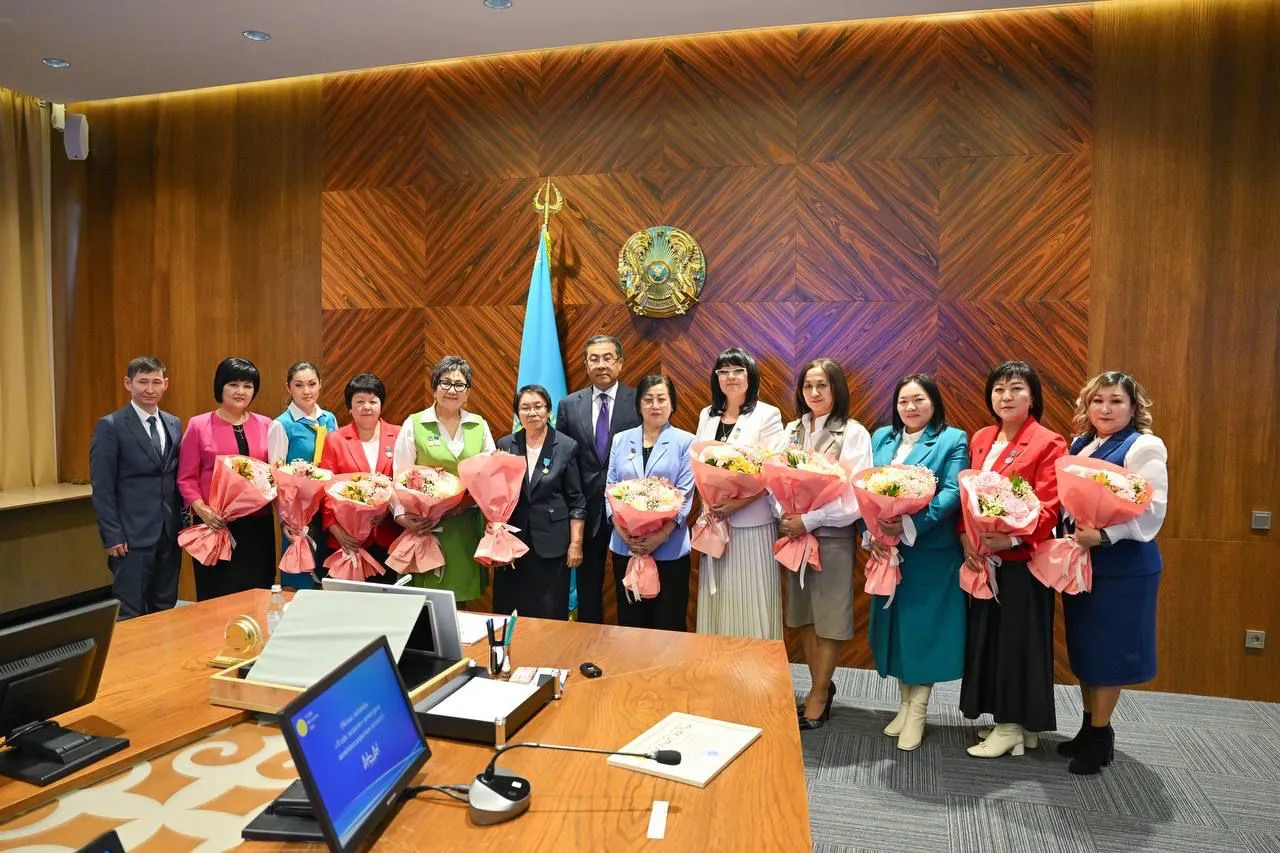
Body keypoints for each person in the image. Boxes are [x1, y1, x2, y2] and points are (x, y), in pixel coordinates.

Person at [1059, 371, 1168, 775]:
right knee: (1087, 652)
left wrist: (1104, 535)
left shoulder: (1144, 447)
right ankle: (1089, 729)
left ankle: (1101, 736)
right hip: (1085, 564)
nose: (1105, 409)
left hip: (1122, 566)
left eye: (1116, 401)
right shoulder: (1083, 444)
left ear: (1133, 407)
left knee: (1108, 654)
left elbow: (1153, 510)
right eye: (1097, 401)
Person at [960, 360, 1066, 758]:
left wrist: (1013, 536)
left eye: (1016, 388)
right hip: (984, 556)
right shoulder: (983, 437)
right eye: (999, 389)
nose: (1006, 396)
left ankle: (1010, 725)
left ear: (1033, 396)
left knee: (1018, 641)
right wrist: (966, 539)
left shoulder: (1048, 441)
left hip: (1023, 559)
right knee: (992, 638)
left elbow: (1049, 507)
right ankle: (1018, 723)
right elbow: (970, 496)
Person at [866, 374, 968, 751]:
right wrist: (873, 532)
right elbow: (863, 488)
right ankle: (905, 704)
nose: (910, 407)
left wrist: (910, 523)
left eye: (919, 400)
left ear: (934, 403)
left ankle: (919, 711)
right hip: (888, 550)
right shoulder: (882, 438)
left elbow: (953, 491)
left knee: (923, 630)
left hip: (930, 551)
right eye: (904, 401)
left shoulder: (951, 439)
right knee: (895, 628)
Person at [781, 358, 872, 731]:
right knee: (803, 614)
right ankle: (819, 684)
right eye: (808, 386)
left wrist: (812, 518)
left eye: (822, 385)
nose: (814, 393)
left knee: (830, 618)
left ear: (837, 389)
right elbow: (777, 477)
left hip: (832, 535)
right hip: (794, 535)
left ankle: (818, 694)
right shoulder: (791, 430)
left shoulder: (853, 432)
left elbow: (854, 495)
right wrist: (785, 512)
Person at [693, 347, 786, 640]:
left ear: (750, 375)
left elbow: (773, 471)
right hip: (714, 522)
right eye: (724, 371)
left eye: (738, 371)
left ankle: (754, 675)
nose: (730, 377)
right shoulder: (707, 415)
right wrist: (709, 503)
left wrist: (737, 503)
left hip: (751, 524)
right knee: (718, 600)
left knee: (750, 599)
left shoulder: (767, 415)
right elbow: (698, 464)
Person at [393, 355, 495, 603]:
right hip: (427, 527)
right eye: (445, 383)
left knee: (463, 597)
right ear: (435, 387)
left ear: (468, 391)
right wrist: (402, 517)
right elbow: (399, 476)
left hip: (466, 526)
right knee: (427, 599)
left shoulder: (478, 426)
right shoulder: (414, 424)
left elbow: (490, 477)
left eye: (459, 384)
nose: (452, 390)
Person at [88, 356, 183, 618]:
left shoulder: (174, 423)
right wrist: (112, 534)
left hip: (169, 532)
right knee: (129, 612)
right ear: (128, 383)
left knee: (165, 608)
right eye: (143, 382)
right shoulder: (111, 426)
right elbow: (102, 486)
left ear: (166, 384)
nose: (150, 389)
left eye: (156, 382)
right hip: (130, 537)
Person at [555, 335, 641, 623]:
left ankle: (629, 645)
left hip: (629, 512)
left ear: (620, 362)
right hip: (585, 511)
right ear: (585, 364)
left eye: (607, 358)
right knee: (588, 587)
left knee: (628, 581)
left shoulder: (638, 400)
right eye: (594, 358)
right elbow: (563, 459)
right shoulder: (569, 405)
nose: (601, 364)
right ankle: (590, 644)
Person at [177, 357, 278, 600]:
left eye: (248, 385)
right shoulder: (199, 425)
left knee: (258, 594)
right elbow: (186, 478)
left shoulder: (266, 425)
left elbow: (273, 473)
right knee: (217, 595)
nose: (241, 391)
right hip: (215, 525)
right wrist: (204, 511)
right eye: (233, 384)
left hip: (257, 526)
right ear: (220, 386)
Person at [606, 375, 696, 631]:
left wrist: (661, 535)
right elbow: (610, 489)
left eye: (661, 399)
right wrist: (623, 531)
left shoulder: (685, 441)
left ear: (672, 404)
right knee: (631, 620)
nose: (655, 405)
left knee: (668, 620)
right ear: (639, 405)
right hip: (627, 546)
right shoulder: (621, 440)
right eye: (648, 400)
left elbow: (685, 494)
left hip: (669, 549)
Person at [494, 384, 587, 619]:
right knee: (509, 609)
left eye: (538, 407)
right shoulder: (506, 445)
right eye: (525, 407)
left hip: (551, 545)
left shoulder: (566, 446)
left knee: (548, 611)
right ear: (517, 414)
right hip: (513, 545)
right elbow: (496, 494)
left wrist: (575, 544)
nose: (532, 412)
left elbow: (577, 501)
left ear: (548, 411)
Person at [318, 373, 401, 582]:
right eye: (360, 401)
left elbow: (403, 483)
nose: (367, 407)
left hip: (387, 537)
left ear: (381, 405)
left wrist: (389, 509)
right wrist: (337, 532)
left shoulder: (399, 435)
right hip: (347, 539)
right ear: (350, 407)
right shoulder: (335, 440)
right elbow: (324, 490)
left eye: (373, 401)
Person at [267, 360, 339, 591]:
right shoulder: (281, 425)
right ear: (289, 388)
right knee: (300, 584)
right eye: (299, 385)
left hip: (326, 512)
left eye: (311, 384)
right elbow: (276, 476)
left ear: (320, 385)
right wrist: (284, 519)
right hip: (298, 516)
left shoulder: (329, 419)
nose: (306, 391)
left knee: (326, 581)